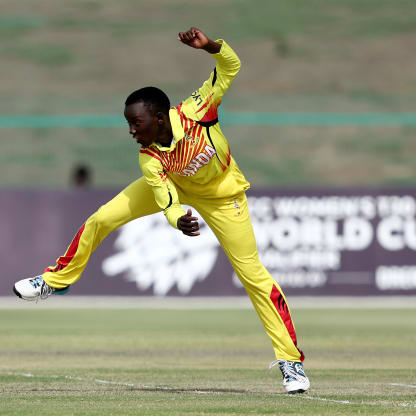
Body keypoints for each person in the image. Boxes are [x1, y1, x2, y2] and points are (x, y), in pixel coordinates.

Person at [13, 27, 310, 394]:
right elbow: (165, 196)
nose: (132, 132)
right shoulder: (149, 156)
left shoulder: (198, 110)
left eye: (136, 123)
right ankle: (54, 282)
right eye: (129, 125)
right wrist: (176, 219)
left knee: (254, 277)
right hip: (179, 186)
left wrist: (212, 47)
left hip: (222, 196)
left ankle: (291, 363)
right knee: (103, 218)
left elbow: (231, 67)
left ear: (158, 116)